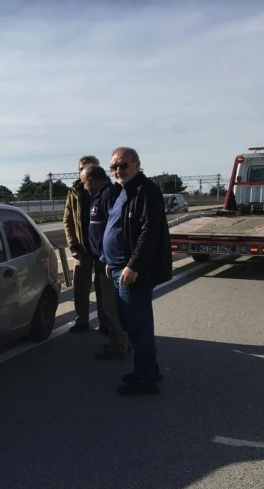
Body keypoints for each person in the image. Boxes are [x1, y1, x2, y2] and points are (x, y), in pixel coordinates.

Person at [103, 147, 172, 395]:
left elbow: (149, 231)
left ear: (137, 164)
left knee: (138, 326)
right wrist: (109, 259)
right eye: (113, 167)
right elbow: (118, 227)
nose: (118, 171)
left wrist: (134, 265)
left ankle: (145, 379)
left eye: (123, 165)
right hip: (118, 267)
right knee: (128, 322)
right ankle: (149, 368)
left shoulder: (146, 190)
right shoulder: (124, 191)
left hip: (132, 271)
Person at [81, 164, 132, 360]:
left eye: (84, 182)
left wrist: (106, 257)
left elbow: (115, 229)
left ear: (92, 180)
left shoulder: (110, 195)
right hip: (103, 260)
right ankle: (120, 341)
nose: (84, 186)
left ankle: (121, 345)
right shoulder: (101, 196)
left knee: (111, 307)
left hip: (109, 262)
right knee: (109, 306)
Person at [63, 155, 111, 335]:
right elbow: (67, 220)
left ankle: (106, 322)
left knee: (104, 287)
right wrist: (73, 245)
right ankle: (82, 320)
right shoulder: (74, 191)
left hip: (103, 248)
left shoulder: (109, 189)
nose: (84, 171)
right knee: (80, 287)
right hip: (82, 248)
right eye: (81, 168)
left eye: (88, 167)